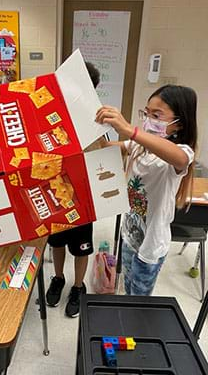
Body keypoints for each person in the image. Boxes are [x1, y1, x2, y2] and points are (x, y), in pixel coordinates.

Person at [96, 84, 197, 296]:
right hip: (130, 235)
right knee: (127, 286)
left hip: (150, 247)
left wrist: (131, 131)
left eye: (157, 115)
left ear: (179, 124)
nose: (149, 119)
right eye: (147, 112)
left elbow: (178, 158)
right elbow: (107, 149)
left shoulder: (182, 152)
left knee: (138, 298)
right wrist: (96, 127)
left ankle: (133, 327)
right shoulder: (138, 147)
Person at [46, 62, 100, 318]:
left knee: (81, 246)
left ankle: (78, 286)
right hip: (55, 191)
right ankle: (58, 278)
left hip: (82, 196)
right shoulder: (49, 112)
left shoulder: (95, 119)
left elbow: (103, 157)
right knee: (56, 241)